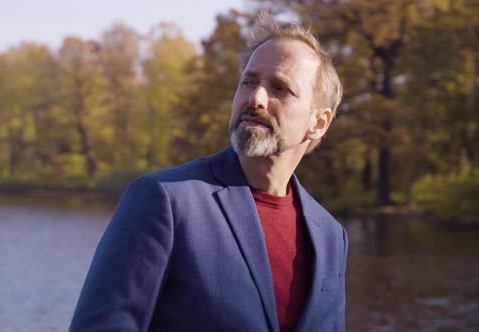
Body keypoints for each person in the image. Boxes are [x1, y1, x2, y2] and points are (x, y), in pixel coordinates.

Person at [69, 12, 347, 332]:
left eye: (280, 88)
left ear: (319, 123)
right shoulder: (165, 200)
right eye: (249, 82)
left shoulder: (330, 235)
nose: (256, 98)